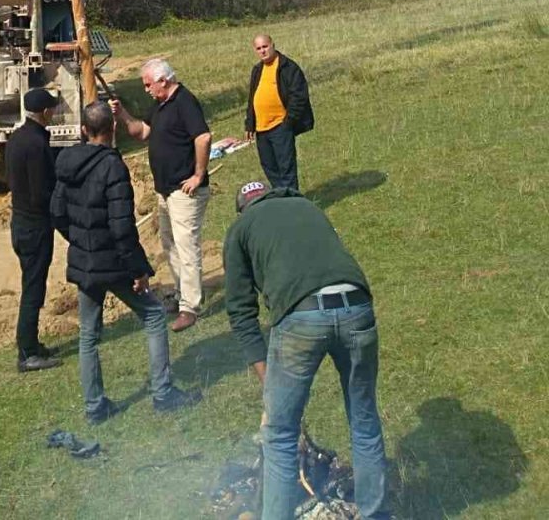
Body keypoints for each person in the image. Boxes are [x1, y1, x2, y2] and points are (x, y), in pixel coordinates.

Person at [223, 179, 390, 520]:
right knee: (364, 418)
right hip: (358, 304)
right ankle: (375, 515)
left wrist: (267, 381)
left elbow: (241, 313)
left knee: (281, 434)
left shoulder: (240, 229)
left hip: (302, 316)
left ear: (243, 208)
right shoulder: (308, 207)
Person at [50, 100, 201, 422]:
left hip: (85, 262)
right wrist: (139, 270)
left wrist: (80, 242)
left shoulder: (65, 161)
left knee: (88, 336)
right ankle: (163, 393)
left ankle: (94, 407)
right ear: (113, 129)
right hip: (114, 263)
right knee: (154, 317)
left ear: (82, 130)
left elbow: (57, 213)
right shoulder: (112, 166)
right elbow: (121, 226)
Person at [110, 57, 212, 330]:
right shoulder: (161, 105)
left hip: (184, 190)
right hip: (165, 191)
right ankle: (181, 296)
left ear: (163, 80)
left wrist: (198, 175)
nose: (145, 89)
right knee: (170, 244)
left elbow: (203, 137)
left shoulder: (184, 102)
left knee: (186, 246)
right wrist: (121, 114)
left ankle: (190, 307)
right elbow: (142, 132)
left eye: (147, 84)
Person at [5, 86, 62, 373]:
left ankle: (32, 344)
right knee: (32, 289)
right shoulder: (37, 144)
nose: (54, 112)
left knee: (33, 285)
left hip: (20, 223)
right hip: (35, 227)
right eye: (52, 108)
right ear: (44, 112)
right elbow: (42, 193)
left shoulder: (17, 138)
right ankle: (27, 352)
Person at [245, 34, 313, 192]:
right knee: (269, 167)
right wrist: (250, 123)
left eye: (265, 46)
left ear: (272, 45)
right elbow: (252, 98)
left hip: (280, 126)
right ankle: (281, 198)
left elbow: (299, 96)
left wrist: (288, 122)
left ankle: (293, 203)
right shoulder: (257, 70)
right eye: (259, 48)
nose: (263, 51)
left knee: (286, 168)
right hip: (261, 129)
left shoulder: (288, 67)